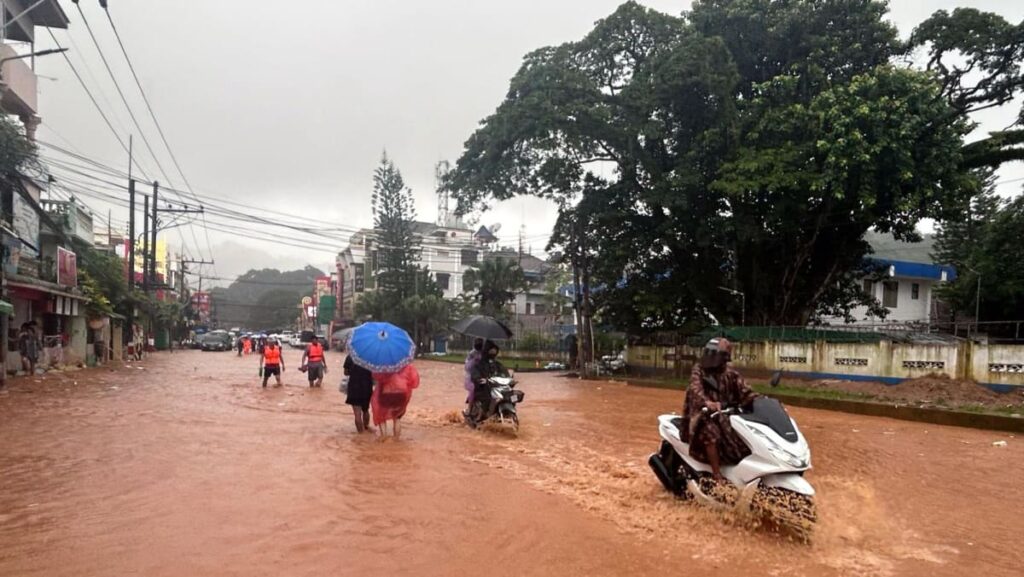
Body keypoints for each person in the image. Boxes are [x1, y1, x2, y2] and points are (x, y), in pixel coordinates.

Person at [681, 338, 758, 481]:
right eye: (710, 353)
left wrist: (761, 401)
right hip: (700, 417)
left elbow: (746, 392)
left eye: (715, 354)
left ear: (724, 357)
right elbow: (695, 389)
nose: (711, 357)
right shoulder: (699, 370)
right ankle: (717, 475)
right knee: (711, 432)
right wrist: (707, 402)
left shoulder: (731, 375)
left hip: (724, 416)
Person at [370, 364, 420, 439]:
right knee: (397, 418)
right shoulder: (407, 365)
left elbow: (376, 377)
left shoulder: (384, 365)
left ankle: (383, 436)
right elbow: (414, 382)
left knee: (381, 415)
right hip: (401, 392)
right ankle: (396, 439)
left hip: (386, 392)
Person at [469, 340, 509, 423]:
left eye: (494, 350)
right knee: (487, 398)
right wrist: (479, 379)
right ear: (487, 350)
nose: (493, 352)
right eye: (491, 350)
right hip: (483, 388)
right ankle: (481, 415)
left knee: (509, 395)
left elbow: (505, 373)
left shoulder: (497, 364)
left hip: (497, 387)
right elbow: (475, 374)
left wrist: (509, 379)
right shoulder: (479, 364)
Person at [343, 354, 374, 433]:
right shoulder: (370, 357)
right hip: (366, 387)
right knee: (366, 410)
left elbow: (345, 372)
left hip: (354, 387)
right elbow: (374, 374)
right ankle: (366, 428)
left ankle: (360, 435)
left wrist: (353, 371)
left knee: (357, 414)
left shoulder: (350, 356)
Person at [462, 338, 484, 416]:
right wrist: (474, 360)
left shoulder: (485, 353)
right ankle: (470, 409)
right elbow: (467, 367)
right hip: (471, 378)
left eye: (480, 343)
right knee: (473, 389)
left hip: (482, 377)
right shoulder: (471, 354)